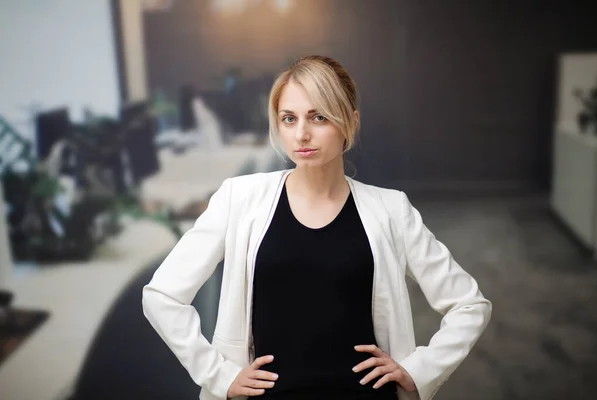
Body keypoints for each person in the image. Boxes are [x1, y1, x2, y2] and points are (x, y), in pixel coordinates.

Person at [142, 55, 492, 400]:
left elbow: (469, 305)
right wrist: (219, 375)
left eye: (319, 117)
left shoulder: (391, 209)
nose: (302, 134)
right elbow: (163, 296)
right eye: (289, 118)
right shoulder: (239, 200)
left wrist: (418, 370)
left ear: (350, 123)